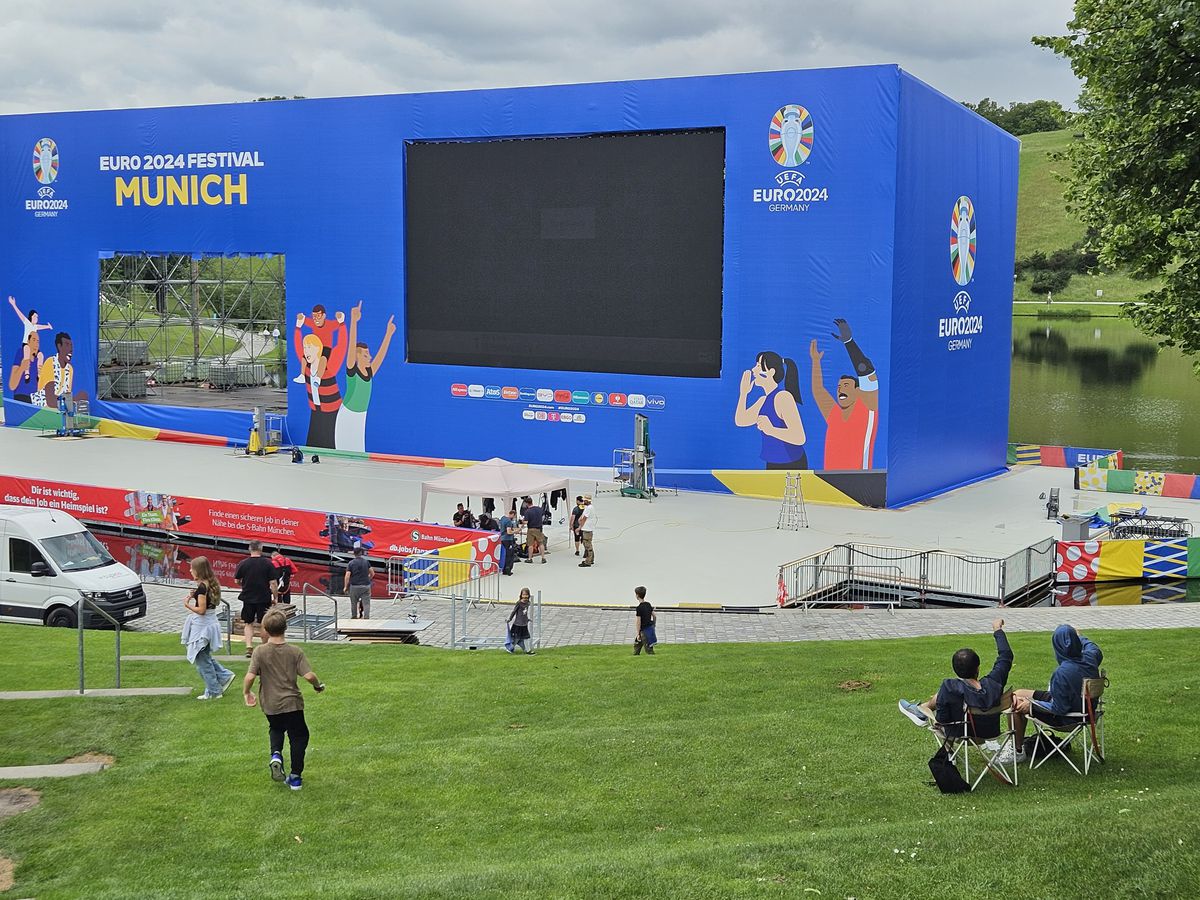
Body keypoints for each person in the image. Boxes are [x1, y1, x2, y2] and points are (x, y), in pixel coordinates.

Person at [244, 609, 326, 791]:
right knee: (299, 736)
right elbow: (309, 675)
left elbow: (250, 676)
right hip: (292, 703)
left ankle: (276, 755)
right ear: (286, 627)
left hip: (270, 704)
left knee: (276, 728)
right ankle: (295, 777)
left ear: (264, 628)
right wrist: (317, 686)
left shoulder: (259, 651)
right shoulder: (295, 652)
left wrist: (246, 693)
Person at [897, 618, 1012, 740]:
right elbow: (1006, 655)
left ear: (955, 670)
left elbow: (942, 719)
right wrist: (997, 630)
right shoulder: (994, 683)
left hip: (959, 734)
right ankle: (920, 710)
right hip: (990, 733)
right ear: (978, 668)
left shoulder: (951, 688)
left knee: (941, 698)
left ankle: (921, 711)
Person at [1007, 625, 1104, 764]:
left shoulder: (1062, 673)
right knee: (1017, 694)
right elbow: (1093, 647)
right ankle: (1018, 746)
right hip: (1086, 710)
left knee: (1016, 703)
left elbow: (1059, 709)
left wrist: (1032, 706)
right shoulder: (1091, 657)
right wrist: (1079, 637)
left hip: (1068, 718)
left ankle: (1016, 751)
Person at [809, 319, 880, 470]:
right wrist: (816, 361)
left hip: (859, 483)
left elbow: (867, 371)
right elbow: (818, 390)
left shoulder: (867, 408)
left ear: (859, 391)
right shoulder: (834, 414)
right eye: (839, 387)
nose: (841, 389)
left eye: (846, 386)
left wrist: (849, 342)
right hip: (830, 483)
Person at [336, 300, 396, 452]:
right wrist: (353, 322)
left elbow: (381, 355)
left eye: (369, 354)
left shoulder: (369, 373)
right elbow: (351, 348)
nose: (369, 357)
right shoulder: (352, 370)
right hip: (347, 416)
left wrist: (388, 334)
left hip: (361, 416)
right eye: (365, 355)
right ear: (357, 358)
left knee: (358, 451)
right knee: (344, 451)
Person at [735, 350, 807, 469]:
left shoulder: (783, 397)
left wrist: (771, 429)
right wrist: (743, 393)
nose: (753, 370)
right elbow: (741, 421)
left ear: (770, 372)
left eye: (758, 366)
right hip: (772, 462)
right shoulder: (763, 400)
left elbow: (799, 437)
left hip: (792, 463)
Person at [181, 556, 235, 700]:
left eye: (192, 568)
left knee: (202, 660)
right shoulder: (210, 584)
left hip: (203, 626)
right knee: (204, 656)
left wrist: (187, 605)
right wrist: (195, 596)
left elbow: (202, 610)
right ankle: (224, 676)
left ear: (198, 570)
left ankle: (214, 690)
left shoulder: (202, 587)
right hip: (210, 623)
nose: (190, 570)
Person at [235, 541, 279, 657]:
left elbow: (237, 580)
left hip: (248, 597)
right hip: (264, 597)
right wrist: (275, 597)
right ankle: (265, 647)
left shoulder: (243, 564)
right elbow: (273, 583)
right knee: (263, 624)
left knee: (248, 623)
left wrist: (243, 584)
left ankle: (249, 647)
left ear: (250, 549)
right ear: (261, 549)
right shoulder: (268, 563)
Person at [38, 331, 88, 410]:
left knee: (83, 396)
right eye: (67, 345)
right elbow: (50, 401)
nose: (71, 349)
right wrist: (75, 400)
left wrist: (74, 400)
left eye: (71, 346)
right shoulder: (50, 363)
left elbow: (66, 396)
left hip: (60, 409)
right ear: (59, 346)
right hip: (42, 409)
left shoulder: (70, 369)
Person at [8, 330, 43, 404]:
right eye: (34, 340)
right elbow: (12, 385)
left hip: (36, 399)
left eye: (38, 341)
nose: (36, 344)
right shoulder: (21, 353)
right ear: (28, 342)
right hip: (21, 397)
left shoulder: (40, 360)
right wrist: (22, 368)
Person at [343, 547, 373, 620]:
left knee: (354, 603)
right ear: (361, 553)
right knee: (366, 603)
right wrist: (368, 579)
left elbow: (347, 576)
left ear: (354, 554)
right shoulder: (366, 562)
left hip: (354, 586)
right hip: (366, 586)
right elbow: (372, 573)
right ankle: (366, 618)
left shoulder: (351, 563)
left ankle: (354, 617)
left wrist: (345, 587)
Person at [505, 587, 535, 654]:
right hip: (518, 624)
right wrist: (509, 619)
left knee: (527, 637)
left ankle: (528, 650)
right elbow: (514, 611)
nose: (525, 596)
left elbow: (525, 613)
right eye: (523, 595)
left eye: (526, 595)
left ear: (528, 595)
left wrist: (527, 619)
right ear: (521, 595)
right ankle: (510, 648)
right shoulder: (519, 603)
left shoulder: (528, 603)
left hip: (524, 624)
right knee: (516, 639)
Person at [522, 497, 547, 564]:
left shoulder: (527, 511)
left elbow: (526, 522)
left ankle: (530, 558)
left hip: (531, 529)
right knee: (541, 543)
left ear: (527, 503)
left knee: (530, 544)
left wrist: (522, 522)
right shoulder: (539, 509)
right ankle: (543, 558)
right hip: (539, 528)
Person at [633, 586, 656, 655]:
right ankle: (635, 656)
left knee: (648, 650)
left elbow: (638, 622)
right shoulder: (648, 604)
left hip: (643, 631)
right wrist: (654, 625)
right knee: (637, 644)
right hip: (649, 629)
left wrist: (638, 634)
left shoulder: (639, 608)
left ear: (637, 595)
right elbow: (654, 616)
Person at [577, 494, 595, 568]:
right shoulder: (589, 507)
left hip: (587, 529)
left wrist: (579, 527)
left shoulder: (588, 508)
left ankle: (588, 562)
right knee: (589, 544)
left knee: (587, 545)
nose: (583, 501)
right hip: (588, 528)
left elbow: (584, 518)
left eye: (584, 500)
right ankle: (591, 559)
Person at [498, 506, 517, 576]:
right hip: (508, 539)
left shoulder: (503, 518)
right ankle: (508, 569)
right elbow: (509, 532)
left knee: (505, 554)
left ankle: (504, 569)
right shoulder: (509, 521)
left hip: (502, 539)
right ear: (512, 514)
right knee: (510, 555)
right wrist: (515, 531)